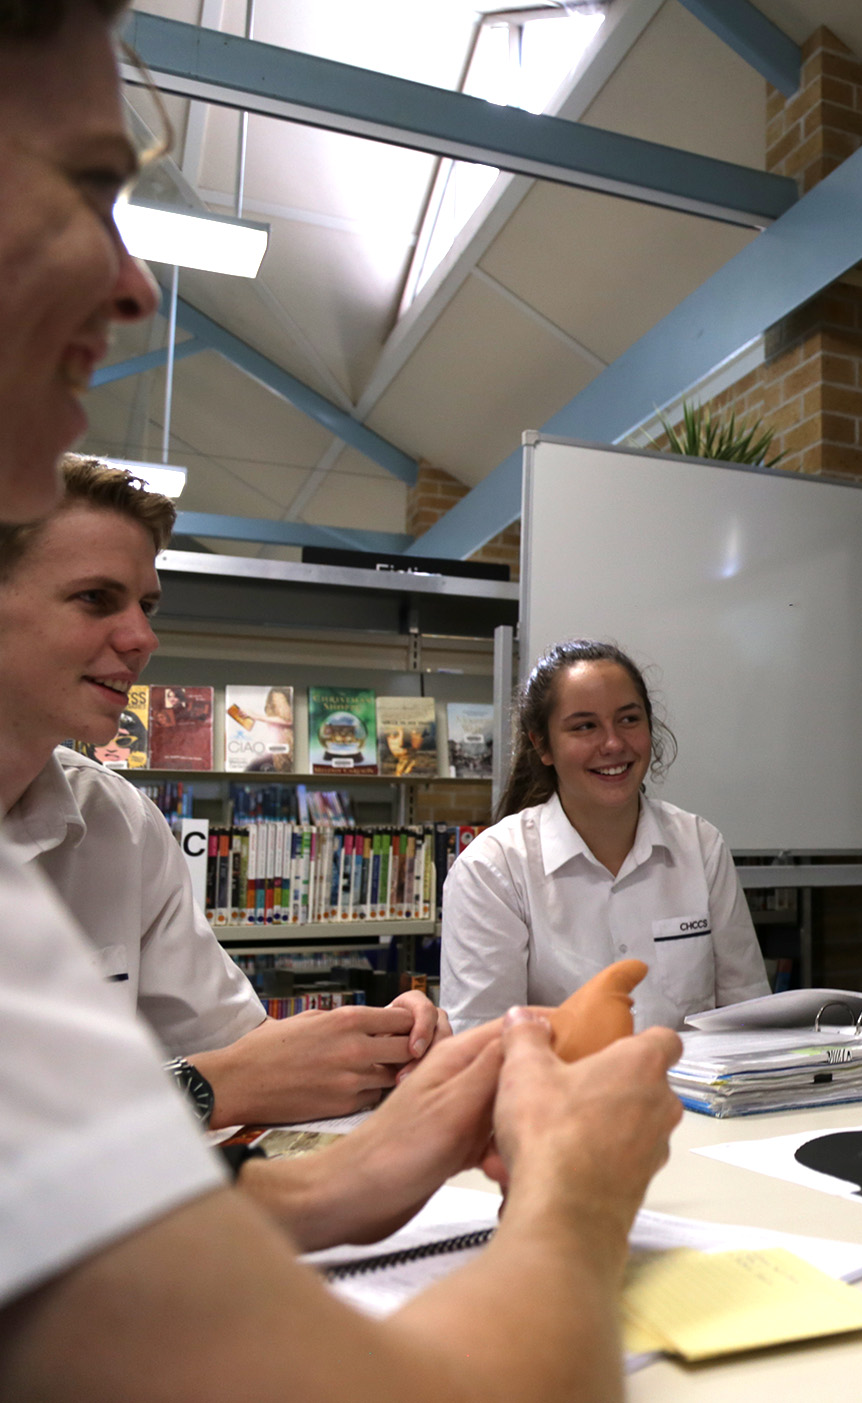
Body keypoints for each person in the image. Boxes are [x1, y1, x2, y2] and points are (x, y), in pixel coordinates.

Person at [0, 5, 685, 1398]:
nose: (134, 288)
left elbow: (67, 1238)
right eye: (86, 186)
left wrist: (370, 1160)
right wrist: (571, 1192)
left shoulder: (106, 819)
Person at [0, 455, 453, 1126]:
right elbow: (221, 1076)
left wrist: (378, 1043)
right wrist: (202, 1089)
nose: (142, 638)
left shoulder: (120, 824)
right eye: (96, 598)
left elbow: (236, 1048)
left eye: (147, 605)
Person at [441, 638, 770, 1031]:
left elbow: (749, 1019)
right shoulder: (492, 869)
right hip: (558, 1093)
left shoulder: (700, 846)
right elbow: (482, 1045)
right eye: (585, 726)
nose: (613, 744)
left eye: (629, 720)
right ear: (542, 744)